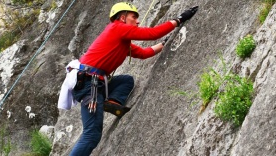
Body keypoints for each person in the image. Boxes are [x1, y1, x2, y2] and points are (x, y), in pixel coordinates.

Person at [67, 2, 198, 155]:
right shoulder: (117, 29)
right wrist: (179, 19)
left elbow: (144, 53)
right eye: (134, 17)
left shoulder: (121, 41)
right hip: (90, 85)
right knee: (91, 136)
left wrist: (164, 43)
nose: (137, 21)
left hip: (95, 83)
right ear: (122, 18)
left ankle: (113, 102)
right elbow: (152, 34)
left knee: (126, 80)